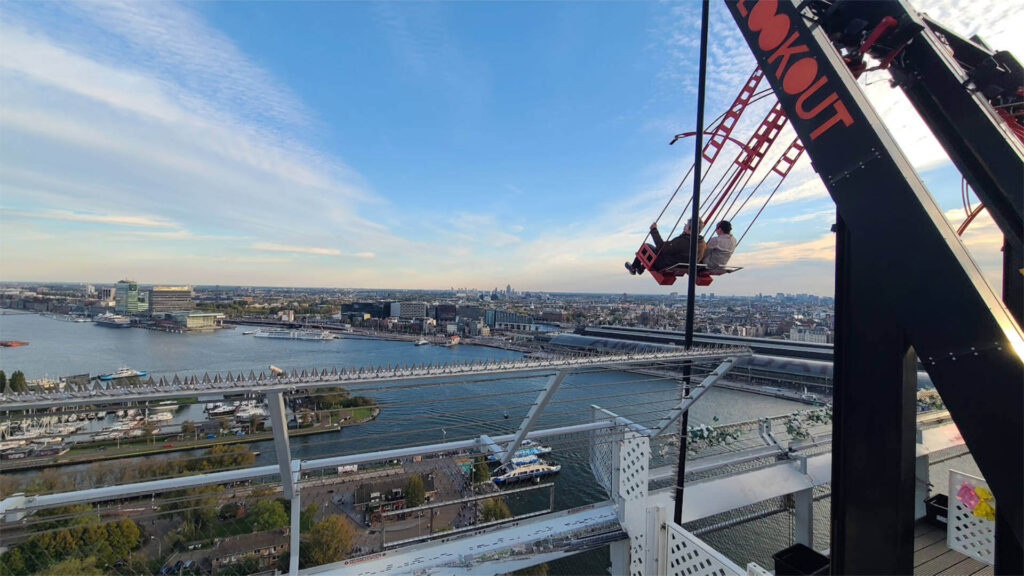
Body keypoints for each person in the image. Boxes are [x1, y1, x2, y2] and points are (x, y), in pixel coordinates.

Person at [626, 220, 706, 275]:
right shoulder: (702, 243)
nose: (684, 225)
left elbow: (662, 247)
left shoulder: (682, 241)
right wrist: (684, 234)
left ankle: (633, 267)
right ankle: (640, 268)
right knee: (655, 251)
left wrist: (654, 230)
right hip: (682, 266)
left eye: (686, 225)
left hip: (664, 264)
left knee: (646, 247)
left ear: (689, 228)